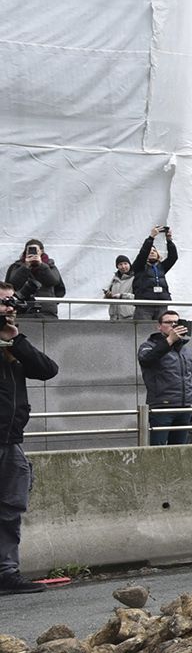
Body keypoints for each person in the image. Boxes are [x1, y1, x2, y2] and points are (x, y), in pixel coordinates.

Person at [0, 281, 59, 594]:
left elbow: (48, 369)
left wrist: (16, 340)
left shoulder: (14, 346)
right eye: (4, 303)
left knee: (9, 511)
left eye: (11, 303)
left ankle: (7, 574)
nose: (10, 308)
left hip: (10, 442)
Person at [136, 310, 192, 446]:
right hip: (162, 406)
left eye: (176, 322)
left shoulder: (185, 349)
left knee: (180, 450)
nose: (173, 325)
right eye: (168, 322)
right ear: (159, 326)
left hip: (185, 406)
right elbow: (146, 360)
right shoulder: (148, 346)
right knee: (158, 449)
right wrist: (169, 340)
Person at [3, 240, 64, 319]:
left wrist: (41, 265)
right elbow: (10, 285)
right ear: (26, 251)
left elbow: (55, 283)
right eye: (30, 250)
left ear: (41, 251)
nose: (33, 253)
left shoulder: (50, 266)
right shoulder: (16, 266)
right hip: (22, 311)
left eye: (36, 250)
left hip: (46, 312)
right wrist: (26, 266)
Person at [130, 227, 179, 320]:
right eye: (150, 251)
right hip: (145, 305)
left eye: (154, 251)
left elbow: (173, 257)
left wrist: (169, 240)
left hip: (161, 304)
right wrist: (151, 237)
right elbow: (142, 254)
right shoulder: (139, 266)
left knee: (162, 329)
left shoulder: (161, 267)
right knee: (143, 329)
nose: (152, 252)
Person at [105, 255, 137, 320]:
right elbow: (109, 294)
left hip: (129, 316)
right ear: (117, 267)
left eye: (125, 264)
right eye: (120, 264)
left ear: (129, 264)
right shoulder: (114, 279)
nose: (123, 266)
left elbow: (138, 296)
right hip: (114, 317)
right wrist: (108, 296)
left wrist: (122, 296)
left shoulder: (135, 278)